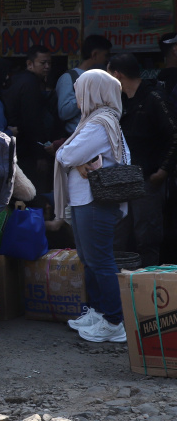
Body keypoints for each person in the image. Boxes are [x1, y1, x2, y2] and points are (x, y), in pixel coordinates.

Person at [54, 69, 130, 343]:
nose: (76, 96)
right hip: (86, 201)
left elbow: (66, 154)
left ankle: (114, 320)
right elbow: (70, 155)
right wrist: (73, 157)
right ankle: (99, 312)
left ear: (93, 92)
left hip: (96, 202)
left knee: (100, 260)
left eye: (80, 90)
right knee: (90, 260)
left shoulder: (100, 123)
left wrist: (70, 156)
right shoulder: (95, 120)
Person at [107, 54, 177, 267]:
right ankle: (119, 284)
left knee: (147, 235)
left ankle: (148, 286)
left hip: (148, 178)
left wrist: (164, 170)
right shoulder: (120, 102)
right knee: (117, 235)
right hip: (121, 179)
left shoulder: (155, 97)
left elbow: (175, 134)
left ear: (117, 75)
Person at [3, 46, 54, 192]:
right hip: (27, 149)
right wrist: (40, 155)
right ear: (30, 64)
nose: (47, 67)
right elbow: (33, 120)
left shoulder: (19, 80)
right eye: (43, 63)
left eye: (49, 63)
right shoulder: (30, 84)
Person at [57, 34, 113, 135]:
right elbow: (64, 112)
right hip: (78, 138)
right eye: (106, 55)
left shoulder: (105, 76)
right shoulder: (70, 77)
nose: (107, 60)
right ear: (94, 54)